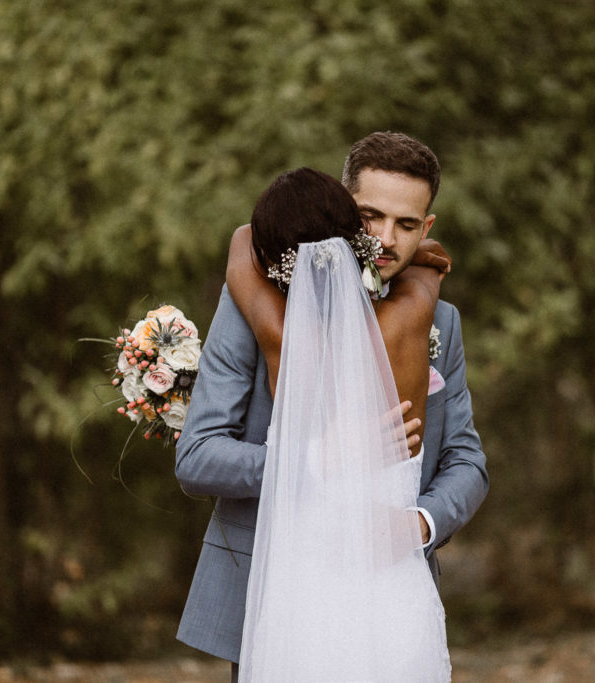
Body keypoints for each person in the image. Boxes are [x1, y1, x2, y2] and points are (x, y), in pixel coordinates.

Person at [175, 132, 488, 679]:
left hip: (391, 595)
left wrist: (418, 523)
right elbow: (197, 457)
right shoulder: (253, 301)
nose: (387, 240)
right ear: (344, 207)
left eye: (407, 224)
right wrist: (318, 458)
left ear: (427, 227)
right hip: (274, 598)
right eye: (371, 216)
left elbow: (466, 461)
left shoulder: (440, 319)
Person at [227, 166, 450, 680]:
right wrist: (421, 253)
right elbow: (428, 262)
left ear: (276, 262)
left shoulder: (279, 336)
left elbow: (243, 245)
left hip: (303, 598)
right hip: (392, 595)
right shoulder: (416, 308)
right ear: (358, 242)